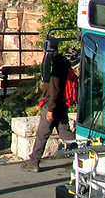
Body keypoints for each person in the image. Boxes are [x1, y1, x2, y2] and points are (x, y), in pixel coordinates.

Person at [27, 38, 75, 172]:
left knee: (42, 134)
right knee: (65, 132)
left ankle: (33, 163)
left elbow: (54, 88)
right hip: (62, 103)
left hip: (52, 104)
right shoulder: (64, 61)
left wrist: (50, 109)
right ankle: (82, 155)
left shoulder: (54, 64)